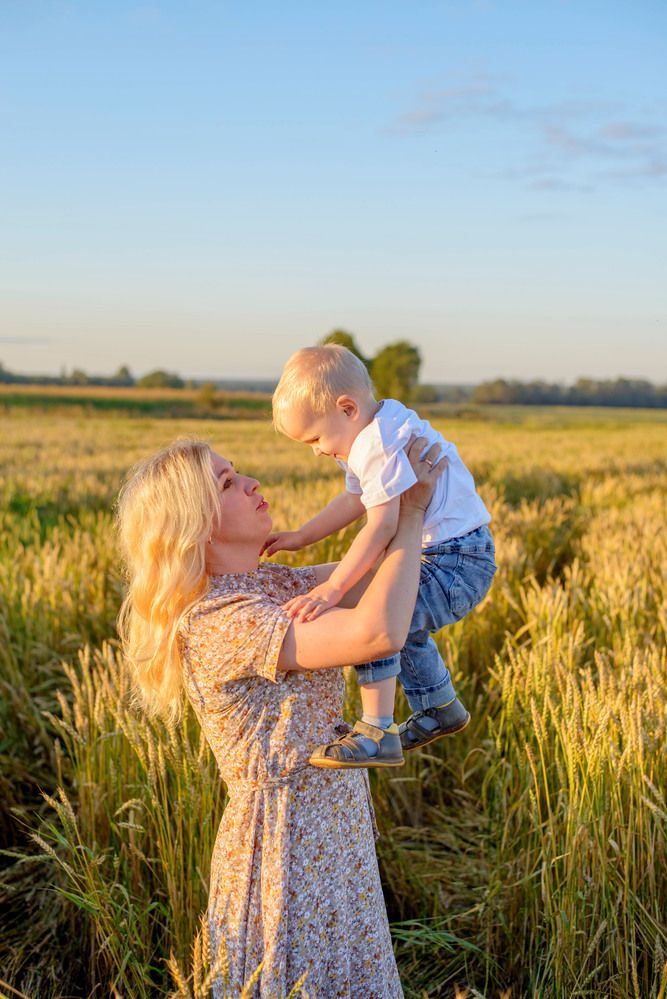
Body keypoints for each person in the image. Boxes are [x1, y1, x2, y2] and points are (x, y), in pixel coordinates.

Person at [116, 435, 444, 999]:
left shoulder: (275, 582)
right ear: (194, 523)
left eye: (238, 470)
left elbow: (391, 576)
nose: (252, 484)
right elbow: (377, 631)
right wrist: (408, 512)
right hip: (283, 846)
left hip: (335, 828)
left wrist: (393, 488)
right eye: (226, 483)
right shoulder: (218, 619)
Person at [267, 344, 497, 769]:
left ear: (347, 408)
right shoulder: (376, 429)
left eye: (316, 438)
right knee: (398, 622)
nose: (317, 451)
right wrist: (302, 536)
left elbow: (382, 525)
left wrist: (333, 589)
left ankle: (377, 730)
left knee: (379, 619)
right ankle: (440, 706)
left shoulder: (376, 444)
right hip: (453, 555)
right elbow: (355, 500)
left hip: (455, 561)